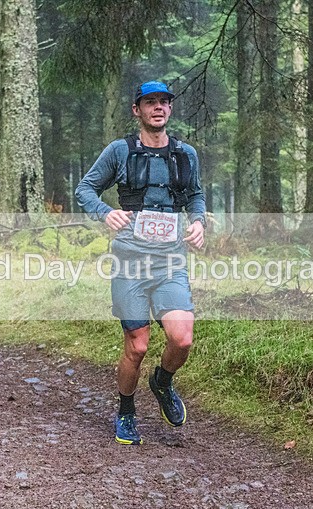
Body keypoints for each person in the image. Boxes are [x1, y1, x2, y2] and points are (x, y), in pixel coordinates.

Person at [75, 80, 207, 445]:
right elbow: (85, 189)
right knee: (137, 345)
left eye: (164, 102)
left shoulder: (186, 154)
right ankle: (127, 411)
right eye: (150, 102)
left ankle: (162, 382)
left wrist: (198, 222)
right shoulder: (120, 151)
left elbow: (195, 195)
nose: (158, 108)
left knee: (181, 339)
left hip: (169, 262)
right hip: (130, 262)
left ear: (170, 109)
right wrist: (105, 213)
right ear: (137, 110)